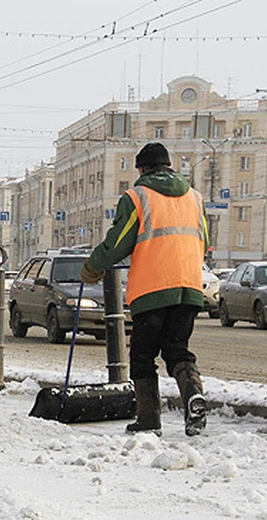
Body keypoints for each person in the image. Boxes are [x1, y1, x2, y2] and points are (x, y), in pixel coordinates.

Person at [81, 142, 209, 437]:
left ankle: (148, 418)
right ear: (169, 167)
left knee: (142, 356)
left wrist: (93, 266)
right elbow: (204, 238)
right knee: (178, 350)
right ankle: (193, 395)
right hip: (189, 286)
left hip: (152, 289)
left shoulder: (137, 196)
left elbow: (119, 240)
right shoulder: (194, 197)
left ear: (141, 169)